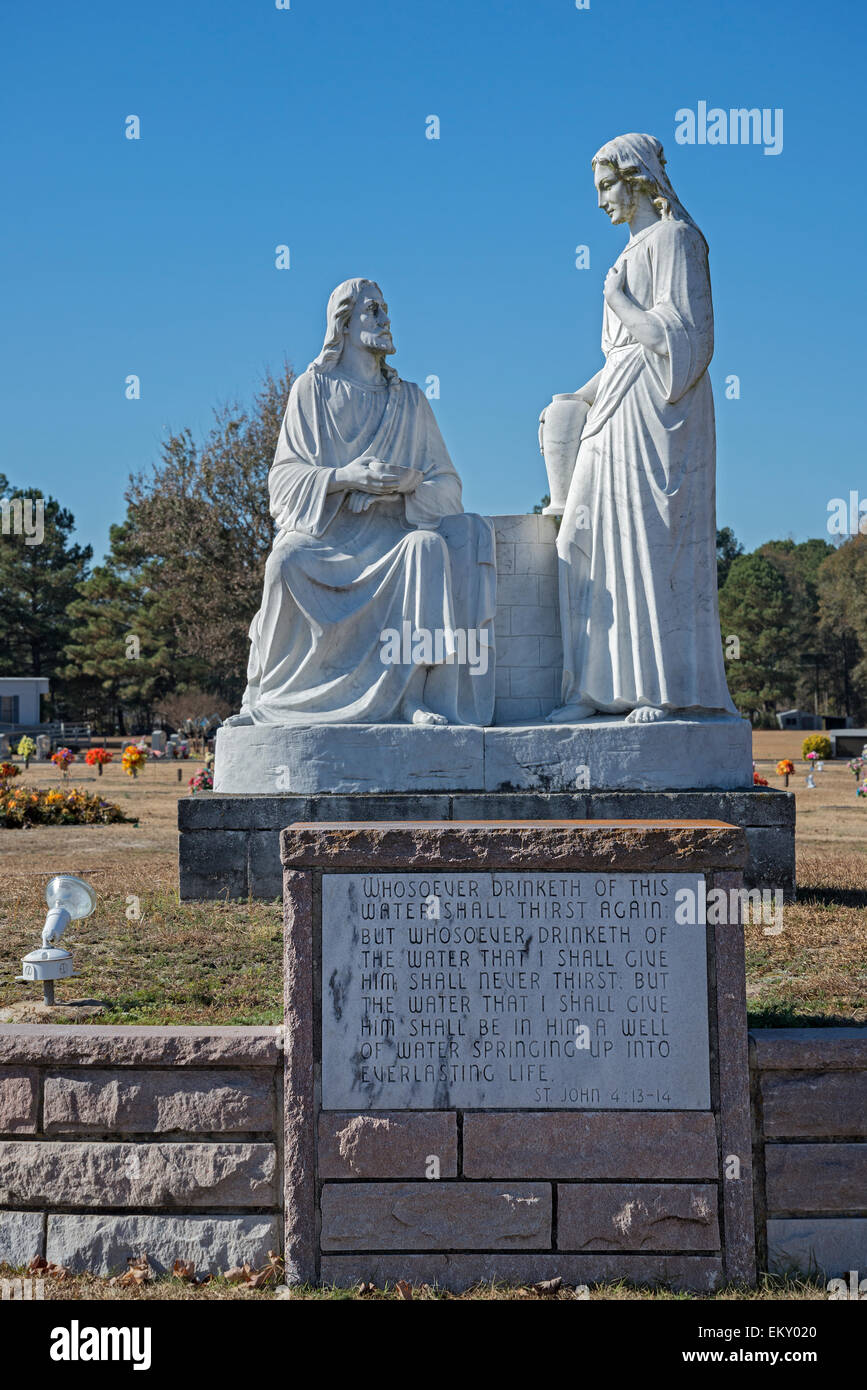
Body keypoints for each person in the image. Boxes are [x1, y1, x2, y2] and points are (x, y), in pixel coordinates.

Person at [226, 278, 495, 727]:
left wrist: (405, 486)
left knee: (426, 549)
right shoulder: (310, 391)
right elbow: (283, 480)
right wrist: (344, 477)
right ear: (344, 324)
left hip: (393, 536)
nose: (385, 319)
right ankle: (267, 698)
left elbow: (448, 485)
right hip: (330, 539)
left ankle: (412, 696)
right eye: (373, 311)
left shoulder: (410, 399)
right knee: (286, 560)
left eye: (386, 309)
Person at [545, 134, 738, 724]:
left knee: (651, 553)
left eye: (608, 186)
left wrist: (620, 301)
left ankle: (657, 689)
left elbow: (685, 344)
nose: (602, 200)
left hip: (660, 415)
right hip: (615, 408)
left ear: (638, 180)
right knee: (583, 543)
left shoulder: (678, 240)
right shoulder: (626, 255)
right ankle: (591, 687)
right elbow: (619, 356)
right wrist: (577, 398)